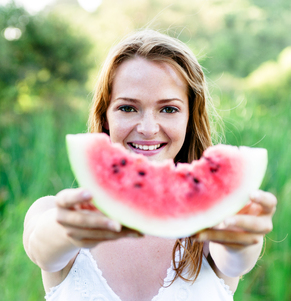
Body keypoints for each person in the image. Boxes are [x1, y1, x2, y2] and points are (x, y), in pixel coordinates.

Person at [23, 29, 277, 301]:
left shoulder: (213, 224)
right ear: (105, 116)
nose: (147, 128)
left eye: (168, 109)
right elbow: (42, 249)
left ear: (189, 118)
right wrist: (69, 228)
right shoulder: (51, 211)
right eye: (128, 108)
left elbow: (235, 261)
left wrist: (240, 239)